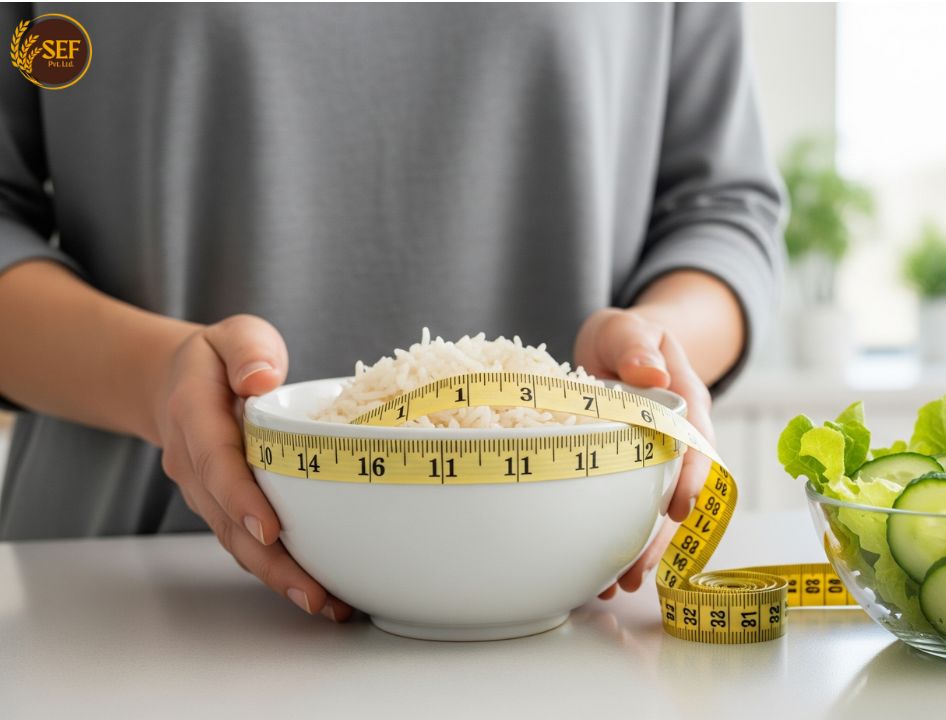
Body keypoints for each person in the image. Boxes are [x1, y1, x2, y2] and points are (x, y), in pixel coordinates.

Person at [0, 4, 782, 621]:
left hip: (583, 614)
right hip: (119, 601)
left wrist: (653, 356)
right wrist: (158, 380)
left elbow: (722, 208)